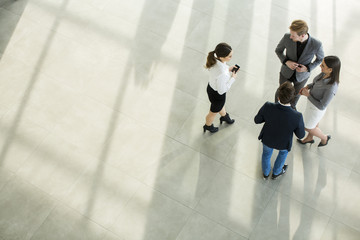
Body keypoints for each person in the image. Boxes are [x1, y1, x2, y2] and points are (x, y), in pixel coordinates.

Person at [255, 82, 305, 179]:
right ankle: (277, 172)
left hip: (267, 139)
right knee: (282, 155)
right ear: (292, 99)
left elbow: (257, 120)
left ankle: (265, 173)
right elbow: (301, 135)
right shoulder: (297, 116)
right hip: (284, 143)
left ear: (278, 96)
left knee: (266, 154)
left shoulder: (268, 106)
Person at [275, 19, 324, 109]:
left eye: (293, 36)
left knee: (296, 96)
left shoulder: (316, 44)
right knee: (281, 92)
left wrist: (308, 68)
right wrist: (286, 62)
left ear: (302, 35)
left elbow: (320, 59)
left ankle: (290, 113)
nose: (290, 37)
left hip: (302, 76)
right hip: (286, 72)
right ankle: (276, 108)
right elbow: (278, 50)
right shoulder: (287, 37)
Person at [297, 56, 341, 147]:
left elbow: (322, 106)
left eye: (323, 65)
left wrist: (308, 95)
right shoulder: (323, 74)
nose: (320, 66)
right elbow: (315, 83)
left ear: (330, 70)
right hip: (311, 104)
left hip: (316, 109)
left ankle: (324, 138)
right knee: (314, 123)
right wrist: (308, 87)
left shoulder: (331, 87)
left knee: (307, 127)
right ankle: (309, 138)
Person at [203, 42, 238, 133]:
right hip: (217, 95)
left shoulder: (215, 60)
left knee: (218, 106)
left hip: (211, 88)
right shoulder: (223, 73)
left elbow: (219, 70)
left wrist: (228, 68)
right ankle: (208, 126)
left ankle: (224, 116)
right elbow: (222, 90)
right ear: (222, 57)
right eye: (229, 56)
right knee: (213, 113)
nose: (231, 57)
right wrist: (232, 78)